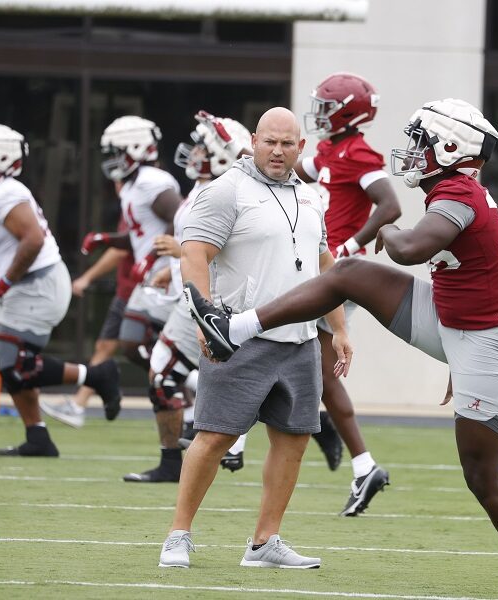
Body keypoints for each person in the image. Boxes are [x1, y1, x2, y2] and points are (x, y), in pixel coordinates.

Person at [184, 99, 498, 600]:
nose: (412, 151)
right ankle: (234, 328)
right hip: (455, 317)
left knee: (482, 475)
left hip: (487, 339)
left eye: (422, 142)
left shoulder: (456, 190)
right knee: (347, 275)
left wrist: (384, 227)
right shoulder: (453, 187)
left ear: (450, 149)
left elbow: (409, 249)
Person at [158, 107, 349, 570]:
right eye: (270, 141)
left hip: (301, 340)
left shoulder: (310, 197)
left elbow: (326, 268)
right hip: (241, 336)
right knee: (214, 437)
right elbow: (194, 255)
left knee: (293, 440)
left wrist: (339, 327)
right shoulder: (227, 190)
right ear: (254, 142)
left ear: (300, 147)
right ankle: (177, 535)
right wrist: (206, 319)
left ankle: (265, 542)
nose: (278, 151)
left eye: (287, 143)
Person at [0, 123, 121, 457]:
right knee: (14, 366)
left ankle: (97, 375)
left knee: (16, 366)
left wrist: (5, 282)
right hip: (33, 284)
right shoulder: (4, 193)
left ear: (1, 159)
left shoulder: (4, 192)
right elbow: (1, 257)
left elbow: (33, 240)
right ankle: (37, 437)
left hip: (37, 285)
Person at [123, 110, 253, 482]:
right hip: (195, 290)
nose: (195, 151)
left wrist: (179, 253)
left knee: (173, 371)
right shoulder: (202, 186)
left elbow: (222, 248)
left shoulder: (229, 192)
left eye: (203, 146)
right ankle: (176, 459)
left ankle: (222, 444)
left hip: (217, 294)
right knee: (166, 372)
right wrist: (172, 267)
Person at [296, 72, 402, 515]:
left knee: (295, 357)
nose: (319, 114)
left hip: (336, 273)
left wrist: (350, 246)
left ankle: (236, 441)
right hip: (319, 270)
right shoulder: (327, 150)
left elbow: (391, 205)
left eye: (326, 106)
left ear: (347, 112)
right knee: (315, 372)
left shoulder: (357, 151)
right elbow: (289, 173)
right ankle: (363, 466)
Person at [81, 115, 184, 475]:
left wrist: (156, 258)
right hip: (153, 279)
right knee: (142, 353)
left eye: (118, 151)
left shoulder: (152, 180)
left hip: (166, 279)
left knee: (139, 347)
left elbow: (182, 216)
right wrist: (107, 240)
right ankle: (173, 450)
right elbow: (142, 234)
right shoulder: (134, 184)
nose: (112, 158)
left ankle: (195, 392)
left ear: (139, 148)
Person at [40, 223, 135, 428]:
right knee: (105, 346)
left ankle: (187, 406)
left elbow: (120, 250)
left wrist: (87, 278)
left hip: (143, 293)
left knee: (161, 353)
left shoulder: (148, 199)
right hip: (129, 291)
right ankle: (78, 404)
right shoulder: (133, 201)